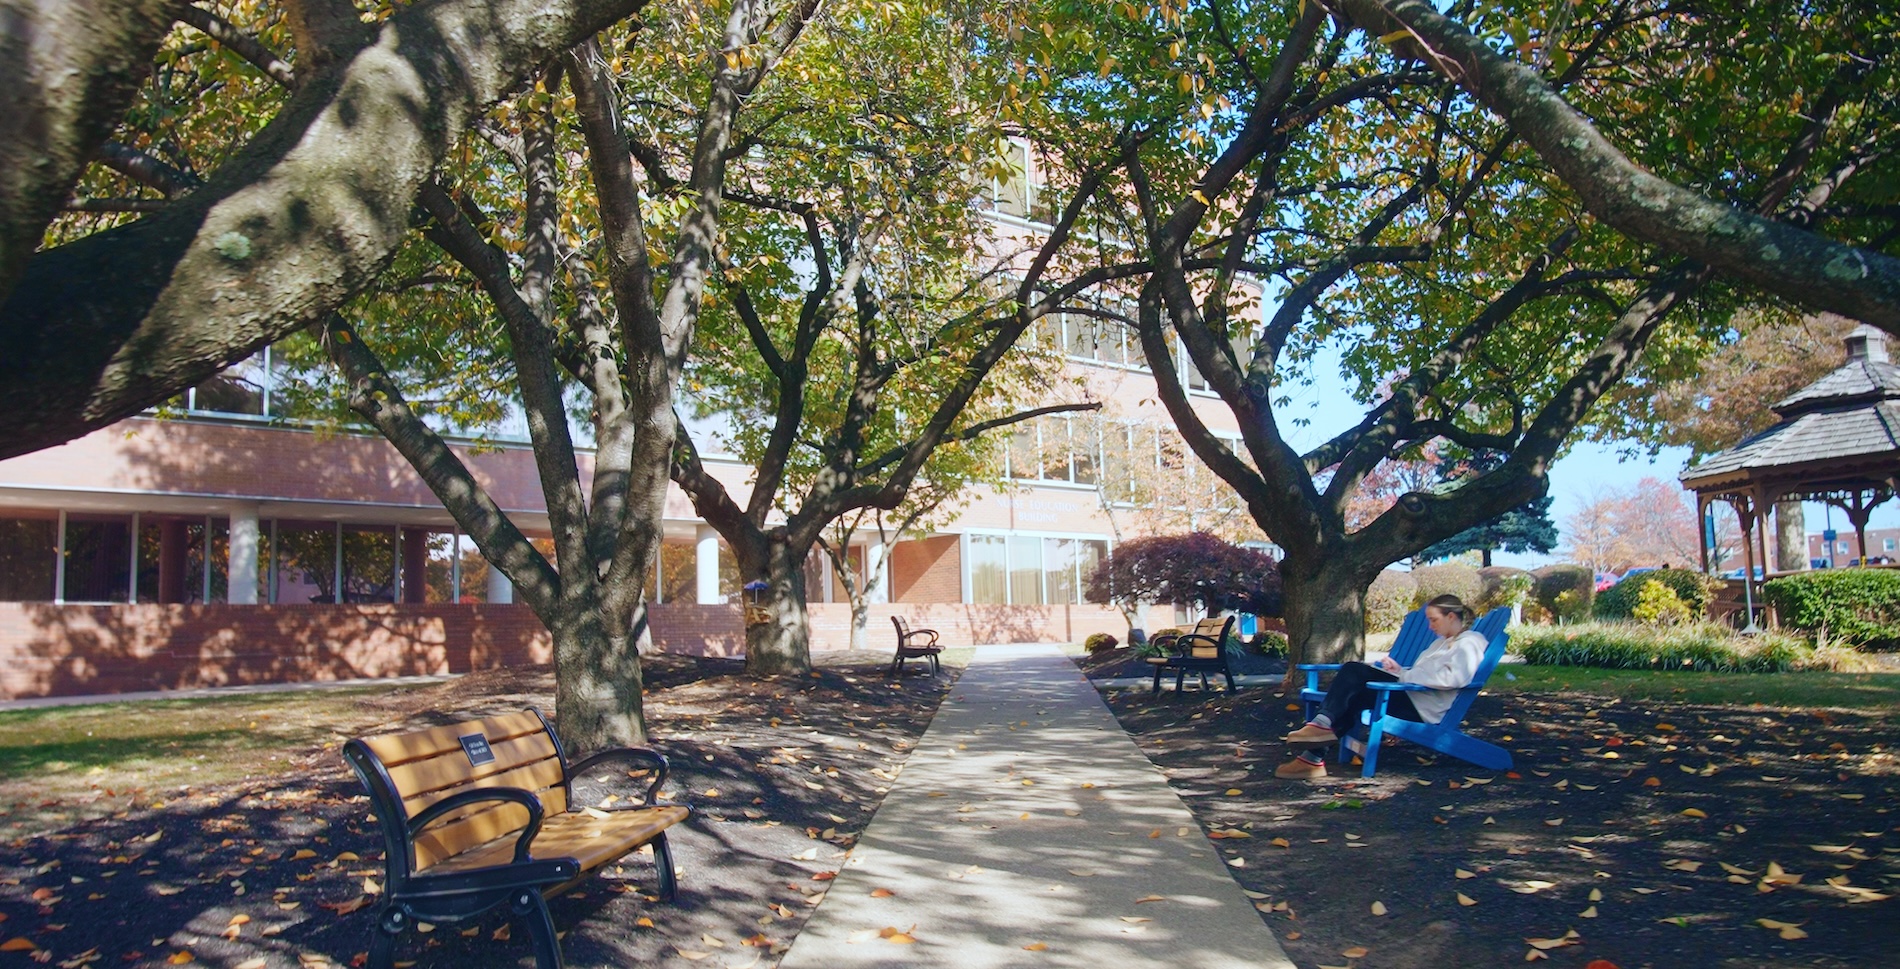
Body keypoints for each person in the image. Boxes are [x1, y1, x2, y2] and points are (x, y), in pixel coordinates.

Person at [1276, 594, 1489, 779]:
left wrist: (1407, 676)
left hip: (1424, 708)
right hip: (1414, 696)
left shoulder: (1469, 643)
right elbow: (1422, 674)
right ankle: (1312, 758)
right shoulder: (1441, 642)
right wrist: (1400, 672)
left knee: (1353, 670)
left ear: (1451, 617)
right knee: (1356, 696)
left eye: (1434, 620)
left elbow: (1455, 679)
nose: (1430, 626)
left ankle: (1319, 726)